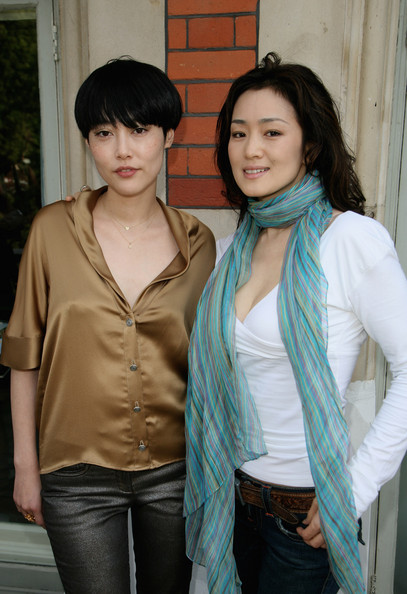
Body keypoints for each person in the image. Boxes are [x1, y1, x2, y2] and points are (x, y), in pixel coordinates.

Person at [184, 52, 407, 594]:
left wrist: (352, 491)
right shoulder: (232, 250)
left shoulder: (350, 240)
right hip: (232, 504)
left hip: (307, 518)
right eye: (238, 133)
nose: (251, 149)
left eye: (271, 132)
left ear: (310, 145)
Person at [0, 57, 215, 594]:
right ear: (87, 142)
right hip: (75, 477)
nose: (122, 150)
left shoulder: (199, 245)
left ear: (169, 136)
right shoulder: (51, 229)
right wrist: (25, 467)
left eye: (139, 130)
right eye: (104, 133)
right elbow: (24, 358)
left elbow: (211, 364)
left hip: (176, 471)